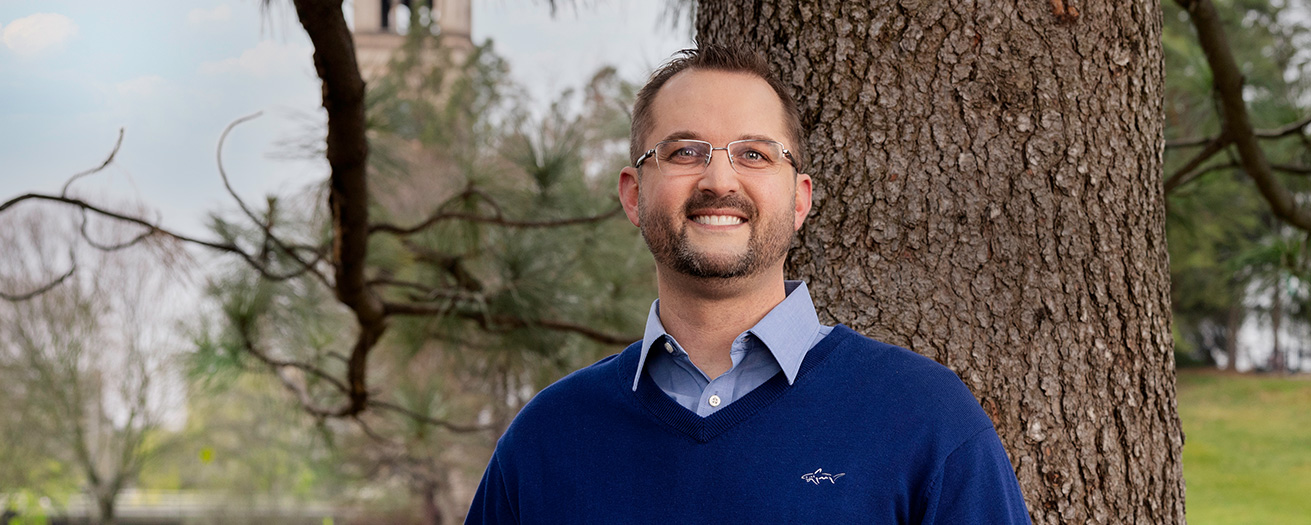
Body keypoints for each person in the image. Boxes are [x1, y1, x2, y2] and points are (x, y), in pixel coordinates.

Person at [465, 44, 1031, 524]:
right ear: (634, 194)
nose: (718, 180)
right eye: (685, 152)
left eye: (754, 154)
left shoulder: (926, 421)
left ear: (799, 199)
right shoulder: (547, 440)